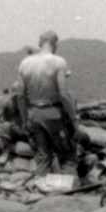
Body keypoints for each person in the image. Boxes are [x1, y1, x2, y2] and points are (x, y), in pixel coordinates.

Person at [17, 31, 78, 176]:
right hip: (54, 114)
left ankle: (41, 192)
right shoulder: (59, 62)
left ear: (40, 43)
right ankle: (68, 194)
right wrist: (73, 118)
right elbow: (64, 94)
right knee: (66, 157)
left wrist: (25, 120)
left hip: (34, 115)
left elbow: (20, 96)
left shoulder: (25, 64)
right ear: (54, 44)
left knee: (43, 157)